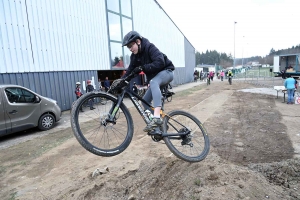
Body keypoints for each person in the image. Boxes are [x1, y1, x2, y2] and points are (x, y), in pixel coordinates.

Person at [121, 31, 175, 132]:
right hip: (156, 79)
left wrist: (142, 68)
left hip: (167, 72)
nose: (130, 49)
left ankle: (157, 118)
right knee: (145, 101)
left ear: (138, 41)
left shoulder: (150, 47)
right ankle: (160, 127)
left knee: (153, 82)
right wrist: (120, 81)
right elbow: (129, 72)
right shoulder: (134, 57)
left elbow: (160, 62)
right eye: (128, 47)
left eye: (131, 45)